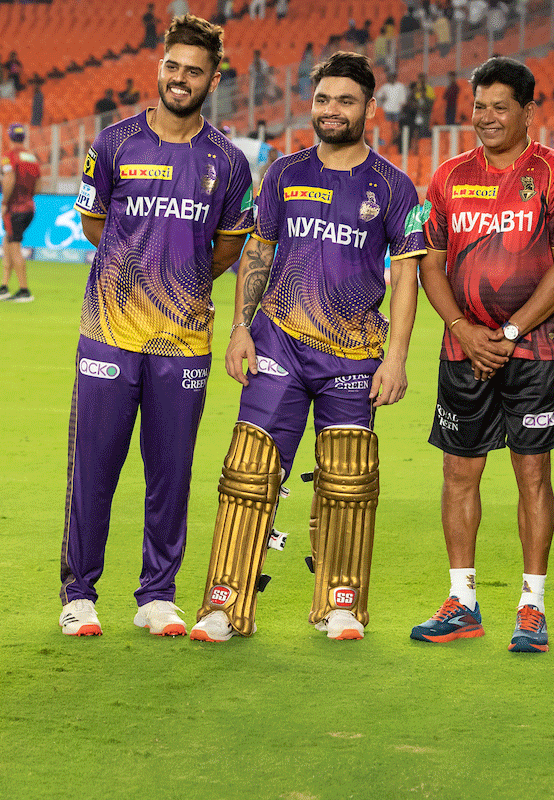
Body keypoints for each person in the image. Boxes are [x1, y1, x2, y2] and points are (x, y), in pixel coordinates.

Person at [189, 51, 424, 643]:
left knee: (349, 480)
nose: (331, 110)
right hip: (280, 344)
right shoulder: (285, 173)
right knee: (249, 471)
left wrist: (396, 358)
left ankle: (340, 603)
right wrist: (241, 328)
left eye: (345, 100)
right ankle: (224, 604)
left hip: (354, 351)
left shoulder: (395, 187)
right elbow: (258, 253)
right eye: (323, 99)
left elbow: (408, 277)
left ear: (371, 108)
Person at [62, 14, 254, 638]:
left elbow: (228, 247)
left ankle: (157, 596)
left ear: (212, 80)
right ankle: (79, 594)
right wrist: (134, 269)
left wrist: (184, 282)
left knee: (170, 470)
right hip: (110, 332)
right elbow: (95, 227)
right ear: (161, 67)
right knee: (94, 467)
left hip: (183, 341)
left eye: (194, 71)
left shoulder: (227, 161)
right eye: (173, 66)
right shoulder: (114, 143)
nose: (180, 78)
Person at [413, 56, 554, 653]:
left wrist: (510, 333)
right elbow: (429, 265)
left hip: (536, 352)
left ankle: (532, 606)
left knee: (532, 473)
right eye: (479, 107)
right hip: (463, 349)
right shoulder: (446, 177)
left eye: (499, 107)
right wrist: (463, 330)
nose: (486, 118)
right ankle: (462, 602)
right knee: (458, 471)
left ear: (528, 111)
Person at [0, 123, 41, 302]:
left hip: (15, 209)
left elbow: (9, 179)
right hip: (29, 207)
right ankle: (4, 286)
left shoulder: (9, 156)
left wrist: (4, 202)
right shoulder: (32, 157)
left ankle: (24, 290)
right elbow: (39, 183)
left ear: (9, 137)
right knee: (8, 243)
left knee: (14, 247)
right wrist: (28, 196)